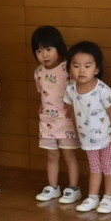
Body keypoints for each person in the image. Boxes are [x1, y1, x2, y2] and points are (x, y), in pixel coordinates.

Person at [63, 41, 111, 213]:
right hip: (87, 139)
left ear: (96, 69)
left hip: (107, 138)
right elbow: (72, 112)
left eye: (87, 66)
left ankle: (108, 198)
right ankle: (93, 197)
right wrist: (77, 133)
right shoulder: (71, 89)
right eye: (76, 66)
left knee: (109, 167)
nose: (81, 70)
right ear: (69, 68)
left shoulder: (103, 90)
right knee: (94, 168)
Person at [32, 25, 81, 204]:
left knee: (69, 155)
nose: (44, 55)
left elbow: (78, 88)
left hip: (66, 120)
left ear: (58, 47)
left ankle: (73, 188)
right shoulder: (38, 72)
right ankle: (53, 187)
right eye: (39, 51)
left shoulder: (67, 68)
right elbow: (43, 93)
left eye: (48, 49)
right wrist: (42, 105)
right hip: (47, 120)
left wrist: (73, 104)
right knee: (51, 155)